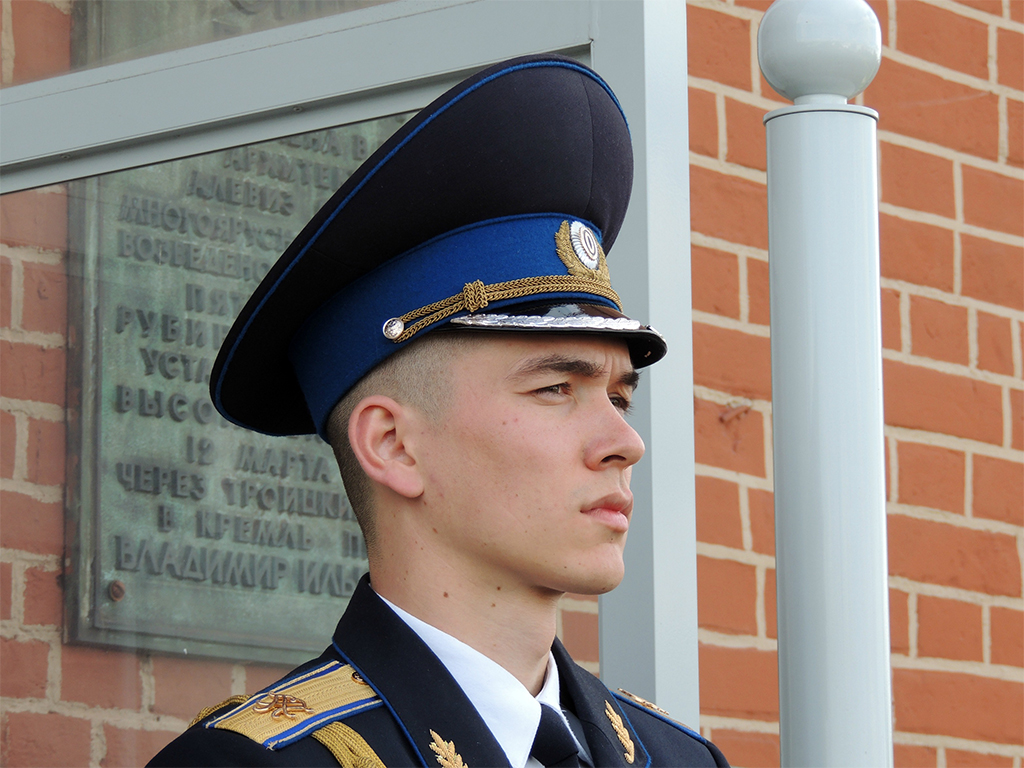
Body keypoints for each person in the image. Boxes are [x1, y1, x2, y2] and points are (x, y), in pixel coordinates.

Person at [149, 54, 729, 768]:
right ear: (393, 445)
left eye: (618, 395)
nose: (624, 441)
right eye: (556, 389)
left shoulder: (677, 758)